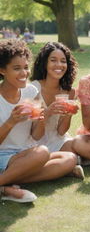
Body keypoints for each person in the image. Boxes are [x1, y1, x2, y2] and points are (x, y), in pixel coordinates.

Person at [0, 39, 77, 203]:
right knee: (42, 152)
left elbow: (36, 136)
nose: (24, 73)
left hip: (25, 152)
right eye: (16, 68)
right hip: (4, 155)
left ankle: (7, 182)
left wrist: (42, 117)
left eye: (26, 67)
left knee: (70, 159)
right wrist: (11, 122)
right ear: (2, 70)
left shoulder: (31, 91)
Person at [30, 42, 84, 179]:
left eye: (63, 61)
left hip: (57, 139)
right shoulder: (33, 89)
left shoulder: (69, 92)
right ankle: (65, 169)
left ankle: (62, 167)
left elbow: (61, 131)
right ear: (45, 63)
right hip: (34, 141)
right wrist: (48, 112)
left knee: (76, 147)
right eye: (53, 60)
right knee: (43, 157)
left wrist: (69, 114)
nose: (59, 65)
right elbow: (34, 133)